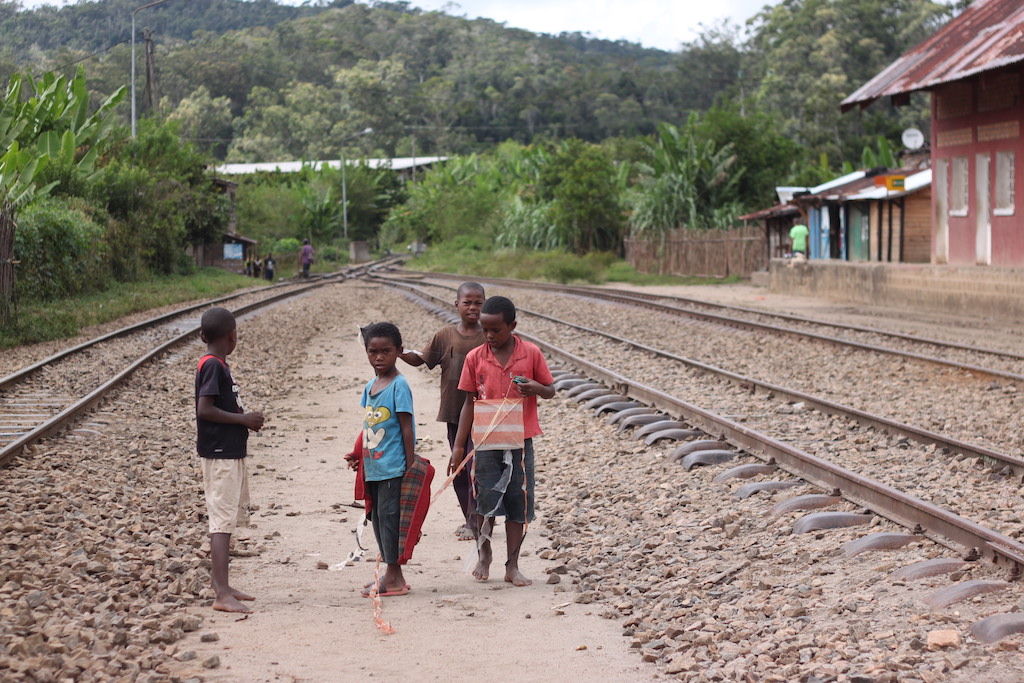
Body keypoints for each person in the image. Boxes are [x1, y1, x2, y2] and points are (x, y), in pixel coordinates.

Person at [451, 296, 555, 587]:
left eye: (496, 330)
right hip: (485, 440)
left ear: (513, 326)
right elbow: (469, 403)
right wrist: (459, 446)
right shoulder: (476, 357)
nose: (489, 336)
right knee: (483, 499)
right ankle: (485, 555)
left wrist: (535, 388)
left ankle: (512, 564)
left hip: (520, 440)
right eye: (485, 330)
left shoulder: (531, 353)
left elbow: (550, 390)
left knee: (517, 502)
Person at [400, 282, 486, 541]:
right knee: (459, 467)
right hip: (453, 411)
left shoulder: (489, 335)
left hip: (484, 413)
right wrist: (399, 351)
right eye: (467, 302)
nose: (472, 307)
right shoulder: (445, 335)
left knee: (477, 467)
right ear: (456, 304)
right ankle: (470, 519)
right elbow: (422, 359)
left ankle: (480, 520)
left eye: (478, 303)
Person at [194, 307, 266, 613]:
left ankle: (222, 585)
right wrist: (244, 419)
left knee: (225, 520)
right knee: (221, 523)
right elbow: (205, 409)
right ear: (233, 336)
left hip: (228, 452)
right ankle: (221, 593)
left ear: (202, 336)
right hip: (221, 453)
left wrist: (243, 419)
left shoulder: (217, 364)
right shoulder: (212, 366)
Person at [353, 322, 416, 597]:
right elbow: (368, 424)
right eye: (373, 351)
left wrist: (409, 464)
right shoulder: (371, 386)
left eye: (386, 351)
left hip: (392, 467)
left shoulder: (399, 386)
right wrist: (358, 454)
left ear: (399, 352)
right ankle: (393, 574)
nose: (379, 357)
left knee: (391, 520)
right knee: (378, 520)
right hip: (374, 466)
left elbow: (406, 427)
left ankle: (394, 576)